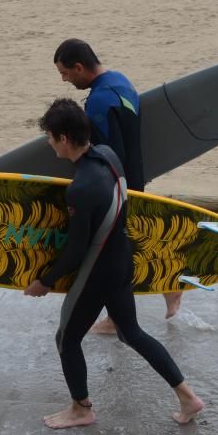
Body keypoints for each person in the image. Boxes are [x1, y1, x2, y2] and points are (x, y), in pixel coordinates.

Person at [24, 98, 204, 429]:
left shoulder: (81, 189)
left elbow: (77, 250)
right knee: (131, 333)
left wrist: (45, 281)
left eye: (50, 137)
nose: (49, 144)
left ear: (64, 138)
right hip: (123, 260)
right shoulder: (108, 156)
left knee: (66, 338)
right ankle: (188, 397)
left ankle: (81, 409)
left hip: (99, 272)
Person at [53, 38, 183, 332]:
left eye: (65, 73)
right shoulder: (120, 82)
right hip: (134, 177)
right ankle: (167, 287)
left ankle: (121, 314)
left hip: (116, 184)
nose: (64, 79)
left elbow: (110, 152)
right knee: (129, 240)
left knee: (112, 248)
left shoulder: (99, 102)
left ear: (79, 67)